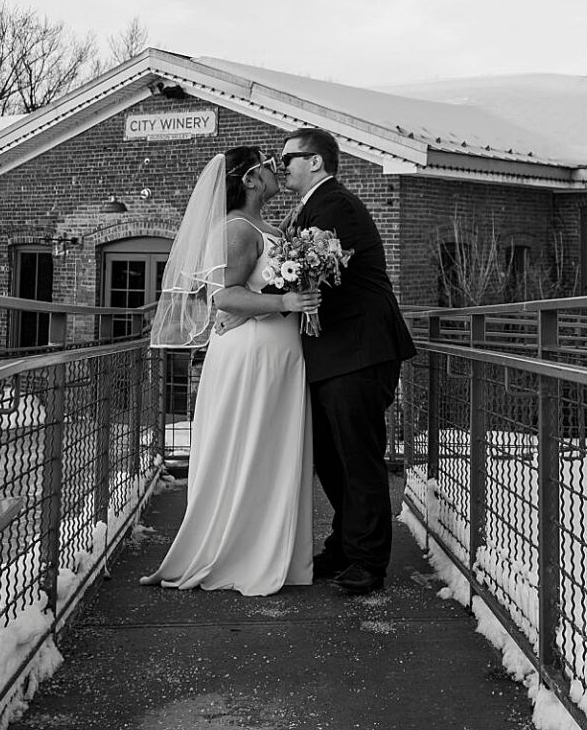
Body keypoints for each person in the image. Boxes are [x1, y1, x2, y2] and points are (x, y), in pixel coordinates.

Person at [149, 149, 316, 596]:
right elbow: (224, 298)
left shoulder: (272, 229)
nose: (275, 170)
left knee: (270, 447)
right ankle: (235, 550)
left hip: (280, 352)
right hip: (252, 356)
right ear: (250, 180)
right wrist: (284, 303)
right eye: (266, 164)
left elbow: (253, 289)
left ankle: (267, 547)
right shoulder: (236, 230)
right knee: (247, 443)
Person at [280, 129, 416, 595]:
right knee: (332, 460)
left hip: (358, 352)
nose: (284, 167)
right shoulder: (315, 206)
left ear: (315, 161)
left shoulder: (335, 205)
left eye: (289, 159)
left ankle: (368, 561)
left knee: (358, 460)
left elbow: (313, 276)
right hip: (333, 355)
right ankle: (344, 543)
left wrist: (262, 297)